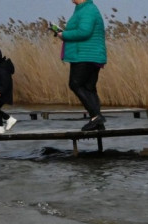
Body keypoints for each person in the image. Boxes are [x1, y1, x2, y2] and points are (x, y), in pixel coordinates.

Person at [58, 0, 108, 131]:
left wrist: (64, 35)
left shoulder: (88, 10)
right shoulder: (84, 9)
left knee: (75, 84)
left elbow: (84, 32)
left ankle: (96, 117)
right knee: (88, 87)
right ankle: (97, 121)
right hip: (90, 54)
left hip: (85, 55)